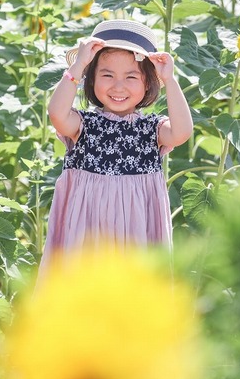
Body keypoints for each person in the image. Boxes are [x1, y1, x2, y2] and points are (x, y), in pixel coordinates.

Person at [39, 19, 193, 276]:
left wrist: (170, 80)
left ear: (148, 83)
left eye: (131, 77)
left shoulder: (152, 130)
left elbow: (182, 132)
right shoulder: (84, 124)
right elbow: (56, 113)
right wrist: (78, 66)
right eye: (107, 75)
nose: (118, 86)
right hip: (87, 233)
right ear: (91, 79)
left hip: (136, 235)